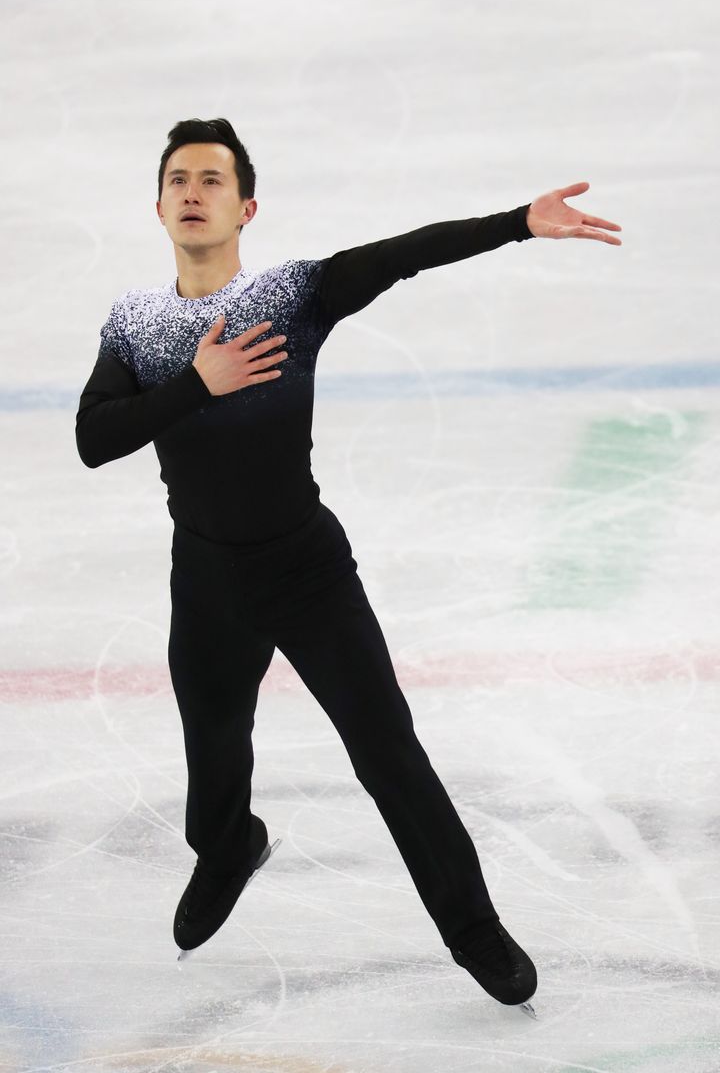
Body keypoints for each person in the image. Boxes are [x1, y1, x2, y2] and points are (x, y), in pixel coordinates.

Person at [75, 118, 622, 1016]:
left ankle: (473, 928)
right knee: (213, 756)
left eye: (213, 180)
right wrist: (198, 384)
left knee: (387, 752)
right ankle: (230, 846)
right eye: (179, 179)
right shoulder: (135, 324)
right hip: (206, 582)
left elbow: (403, 255)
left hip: (306, 573)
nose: (194, 192)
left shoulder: (292, 295)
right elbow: (95, 439)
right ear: (159, 207)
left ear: (246, 208)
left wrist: (519, 223)